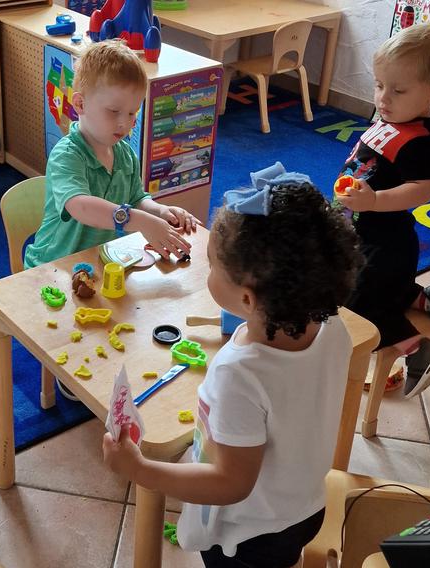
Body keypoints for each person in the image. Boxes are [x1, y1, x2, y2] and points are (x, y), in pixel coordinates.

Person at [103, 168, 363, 568]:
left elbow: (230, 483)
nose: (207, 273)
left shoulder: (240, 373)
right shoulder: (333, 328)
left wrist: (141, 469)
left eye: (211, 267)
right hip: (306, 505)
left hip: (250, 535)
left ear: (246, 298)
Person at [336, 24, 430, 398]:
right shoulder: (393, 117)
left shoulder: (417, 138)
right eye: (379, 84)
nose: (383, 97)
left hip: (386, 243)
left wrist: (374, 202)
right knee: (369, 287)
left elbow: (424, 189)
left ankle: (419, 352)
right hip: (364, 236)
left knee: (355, 306)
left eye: (397, 90)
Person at [23, 40, 199, 269]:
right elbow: (81, 206)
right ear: (80, 104)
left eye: (132, 112)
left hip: (99, 261)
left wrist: (161, 212)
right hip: (53, 266)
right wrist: (141, 221)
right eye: (114, 111)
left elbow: (136, 199)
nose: (124, 123)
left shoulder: (125, 154)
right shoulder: (67, 155)